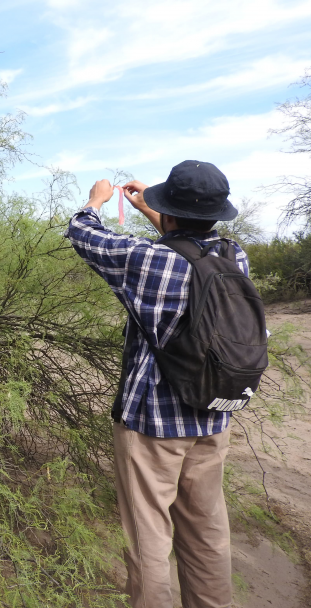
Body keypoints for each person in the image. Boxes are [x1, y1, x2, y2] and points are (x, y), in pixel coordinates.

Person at [65, 161, 243, 608]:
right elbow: (189, 246)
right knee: (207, 534)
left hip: (152, 426)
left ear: (173, 211)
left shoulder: (146, 261)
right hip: (213, 416)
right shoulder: (233, 255)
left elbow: (83, 233)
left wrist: (97, 199)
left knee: (149, 539)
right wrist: (156, 212)